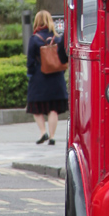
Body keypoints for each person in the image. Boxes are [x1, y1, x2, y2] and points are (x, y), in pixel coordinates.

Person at [27, 9, 68, 145]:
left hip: (39, 76)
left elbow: (30, 61)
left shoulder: (34, 39)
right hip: (56, 77)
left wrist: (31, 73)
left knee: (35, 106)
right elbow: (63, 57)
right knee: (53, 108)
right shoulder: (58, 38)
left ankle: (42, 131)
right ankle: (52, 136)